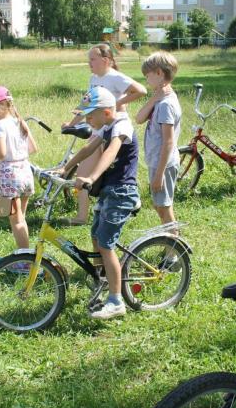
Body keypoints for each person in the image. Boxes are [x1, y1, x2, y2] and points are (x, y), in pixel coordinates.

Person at [57, 86, 140, 319]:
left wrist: (91, 178)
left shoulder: (121, 126)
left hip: (122, 192)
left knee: (105, 244)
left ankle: (116, 301)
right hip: (108, 191)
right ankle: (102, 280)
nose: (87, 120)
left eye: (90, 115)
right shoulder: (106, 126)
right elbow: (88, 149)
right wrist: (64, 168)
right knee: (95, 236)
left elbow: (111, 152)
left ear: (106, 112)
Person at [62, 43, 146, 226]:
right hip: (99, 128)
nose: (89, 63)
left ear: (106, 60)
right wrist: (71, 124)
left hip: (113, 127)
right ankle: (82, 216)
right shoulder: (93, 78)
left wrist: (116, 104)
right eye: (88, 59)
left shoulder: (115, 77)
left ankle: (130, 198)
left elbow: (141, 90)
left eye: (93, 59)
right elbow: (87, 105)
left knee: (116, 168)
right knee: (84, 171)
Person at [0, 86, 38, 250]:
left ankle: (24, 257)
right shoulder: (19, 121)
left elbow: (1, 153)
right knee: (21, 218)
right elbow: (33, 148)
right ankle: (25, 252)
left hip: (10, 177)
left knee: (16, 221)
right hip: (25, 172)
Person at [136, 51, 181, 237]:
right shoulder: (159, 99)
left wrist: (159, 174)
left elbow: (168, 141)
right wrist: (154, 97)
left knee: (163, 207)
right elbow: (139, 118)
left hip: (164, 164)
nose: (146, 80)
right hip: (157, 161)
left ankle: (174, 247)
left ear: (159, 73)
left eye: (147, 76)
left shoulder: (165, 105)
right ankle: (172, 242)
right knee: (160, 205)